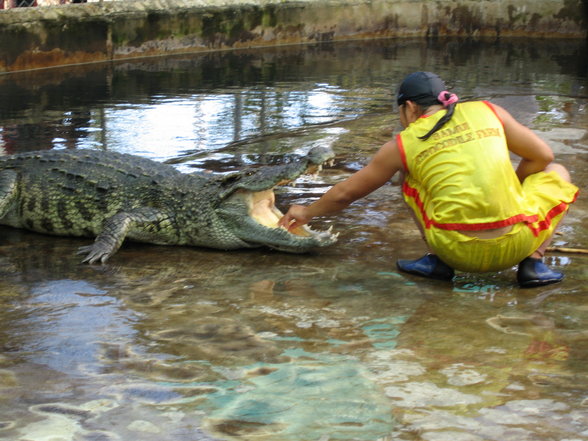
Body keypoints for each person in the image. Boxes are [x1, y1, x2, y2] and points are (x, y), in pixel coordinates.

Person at [278, 71, 579, 288]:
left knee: (408, 174)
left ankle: (438, 262)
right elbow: (542, 157)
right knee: (558, 172)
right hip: (517, 243)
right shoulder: (489, 111)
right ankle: (534, 264)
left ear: (409, 108)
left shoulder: (403, 143)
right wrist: (515, 190)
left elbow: (346, 194)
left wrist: (306, 211)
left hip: (457, 250)